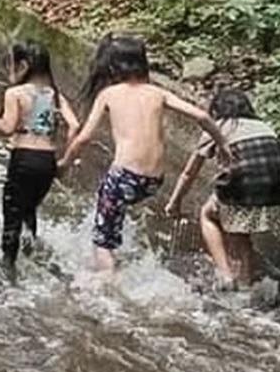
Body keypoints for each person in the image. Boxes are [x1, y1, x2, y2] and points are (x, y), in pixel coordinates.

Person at [60, 34, 232, 273]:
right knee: (115, 216)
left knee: (101, 241)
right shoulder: (157, 92)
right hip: (153, 181)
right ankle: (117, 256)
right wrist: (222, 144)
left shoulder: (108, 94)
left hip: (123, 177)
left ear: (111, 67)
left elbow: (85, 138)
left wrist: (65, 163)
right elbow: (202, 117)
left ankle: (106, 285)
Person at [165, 88, 280, 288]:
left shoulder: (217, 126)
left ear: (216, 110)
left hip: (245, 183)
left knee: (208, 214)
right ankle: (246, 285)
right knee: (240, 227)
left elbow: (189, 173)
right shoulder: (263, 126)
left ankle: (226, 276)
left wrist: (174, 203)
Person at [0, 40, 81, 277]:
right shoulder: (54, 95)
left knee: (12, 214)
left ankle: (8, 271)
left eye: (12, 65)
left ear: (24, 66)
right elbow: (75, 126)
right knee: (29, 210)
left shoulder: (15, 93)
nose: (10, 70)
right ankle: (32, 257)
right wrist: (66, 161)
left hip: (24, 158)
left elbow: (7, 128)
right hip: (47, 162)